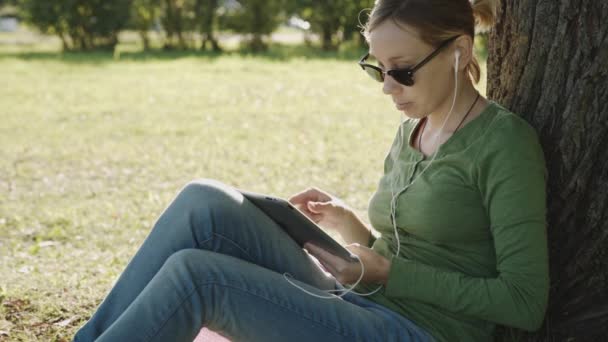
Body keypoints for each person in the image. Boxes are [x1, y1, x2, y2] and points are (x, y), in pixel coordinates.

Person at [72, 0, 550, 341]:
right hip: (363, 298)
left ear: (459, 52)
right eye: (377, 69)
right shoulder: (414, 128)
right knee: (206, 201)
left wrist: (389, 275)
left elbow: (524, 303)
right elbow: (416, 247)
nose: (387, 88)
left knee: (199, 277)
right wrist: (352, 227)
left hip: (417, 330)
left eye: (402, 70)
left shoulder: (504, 144)